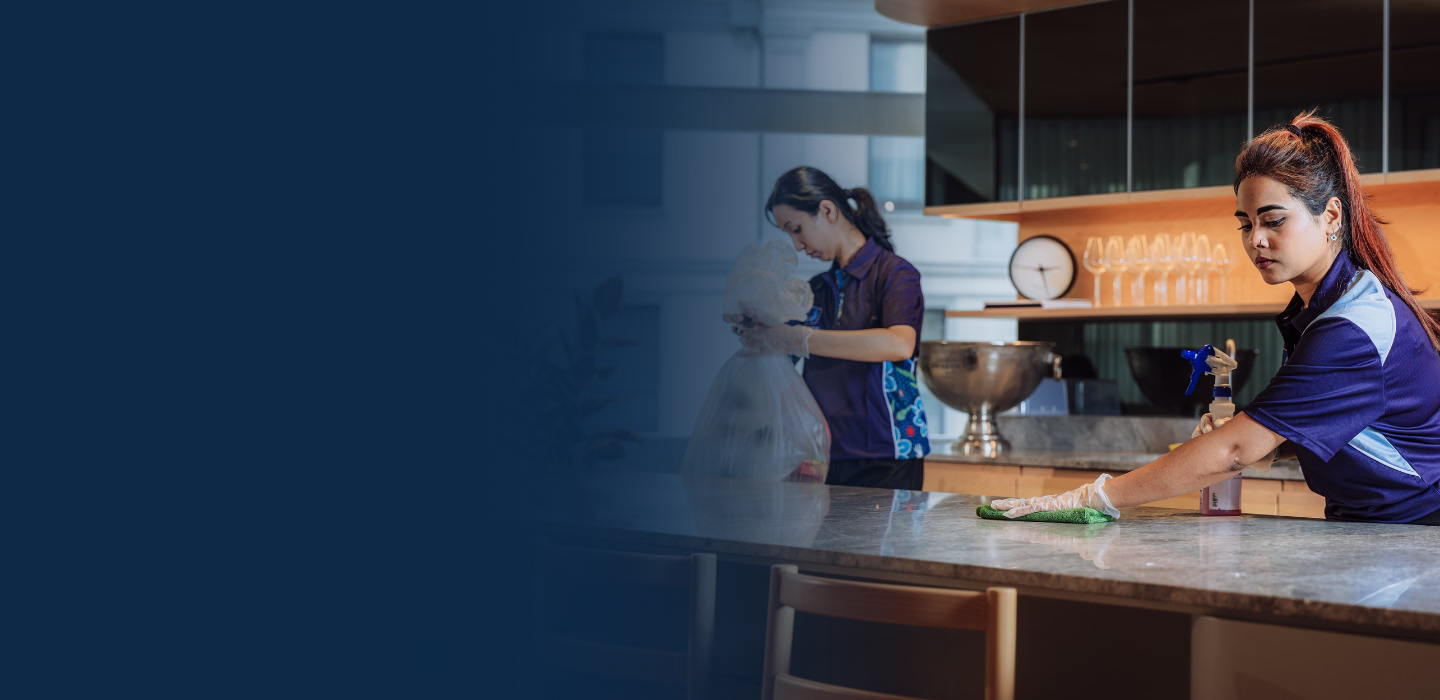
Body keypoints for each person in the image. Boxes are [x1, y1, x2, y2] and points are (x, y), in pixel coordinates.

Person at [991, 110, 1440, 525]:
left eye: (1273, 221)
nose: (1255, 240)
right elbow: (1345, 421)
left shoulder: (1352, 327)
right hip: (1375, 527)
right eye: (1245, 224)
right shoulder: (1328, 309)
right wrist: (1273, 443)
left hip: (1416, 532)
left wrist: (1092, 497)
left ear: (1331, 216)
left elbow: (1233, 451)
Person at [732, 166, 930, 490]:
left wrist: (800, 338)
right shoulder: (814, 290)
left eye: (797, 229)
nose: (797, 245)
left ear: (827, 210)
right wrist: (753, 324)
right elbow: (778, 352)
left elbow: (899, 344)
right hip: (823, 453)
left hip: (888, 452)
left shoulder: (895, 274)